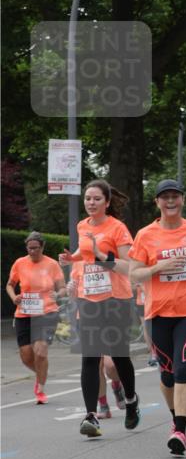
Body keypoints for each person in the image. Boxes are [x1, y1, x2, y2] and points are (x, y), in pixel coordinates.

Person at [128, 179, 186, 455]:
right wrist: (159, 266)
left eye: (175, 196)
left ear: (183, 200)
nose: (170, 201)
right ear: (157, 202)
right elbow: (134, 273)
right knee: (167, 373)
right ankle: (176, 415)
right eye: (165, 197)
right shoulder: (145, 235)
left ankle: (180, 430)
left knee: (184, 368)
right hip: (158, 313)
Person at [59, 180, 140, 438]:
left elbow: (129, 267)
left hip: (116, 300)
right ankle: (91, 416)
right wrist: (71, 259)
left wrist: (100, 256)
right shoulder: (82, 225)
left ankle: (130, 400)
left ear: (106, 202)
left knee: (119, 357)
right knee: (90, 358)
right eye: (87, 198)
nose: (90, 203)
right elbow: (83, 254)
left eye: (96, 199)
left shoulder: (118, 228)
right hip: (89, 301)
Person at [6, 231, 66, 404]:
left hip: (47, 312)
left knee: (40, 351)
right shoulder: (20, 263)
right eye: (29, 248)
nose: (32, 252)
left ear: (42, 247)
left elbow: (62, 287)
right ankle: (42, 372)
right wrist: (13, 297)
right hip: (24, 312)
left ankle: (40, 388)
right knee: (26, 356)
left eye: (36, 248)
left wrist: (58, 294)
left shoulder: (52, 264)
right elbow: (10, 285)